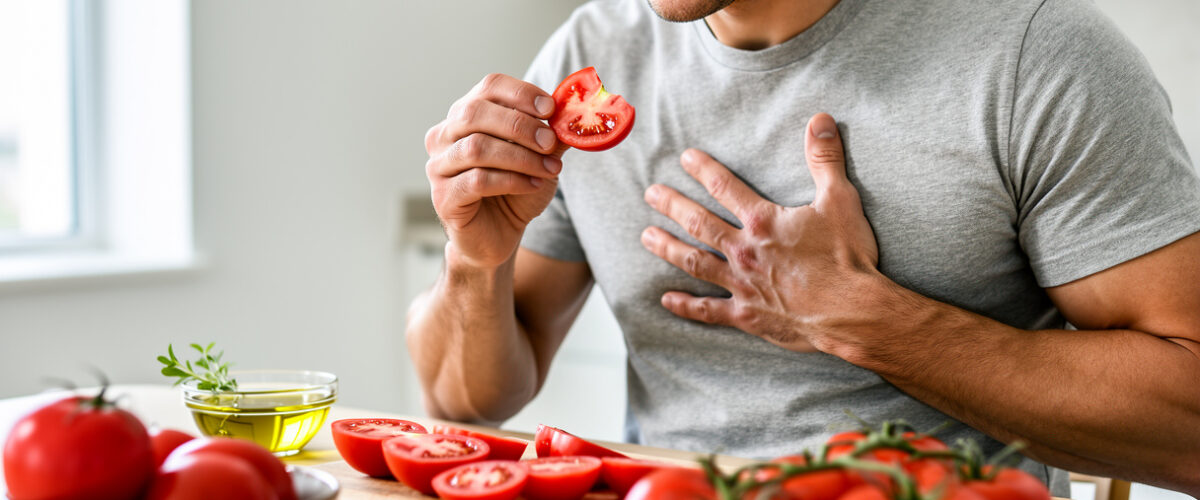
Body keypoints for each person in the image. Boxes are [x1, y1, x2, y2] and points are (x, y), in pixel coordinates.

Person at [406, 0, 1200, 495]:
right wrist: (474, 260)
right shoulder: (590, 54)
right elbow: (464, 402)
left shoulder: (1036, 54)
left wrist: (867, 320)